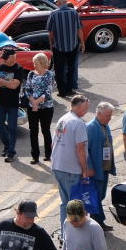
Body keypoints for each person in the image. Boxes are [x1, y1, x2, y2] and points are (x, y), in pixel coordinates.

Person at [50, 95, 91, 224]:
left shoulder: (63, 119)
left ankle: (64, 233)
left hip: (58, 166)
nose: (86, 111)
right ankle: (73, 233)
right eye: (85, 108)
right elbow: (80, 148)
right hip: (71, 169)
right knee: (74, 204)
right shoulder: (78, 123)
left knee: (65, 202)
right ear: (78, 106)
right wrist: (84, 170)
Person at [84, 102, 116, 227]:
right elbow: (85, 151)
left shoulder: (105, 125)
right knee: (96, 196)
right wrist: (90, 168)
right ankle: (98, 222)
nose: (110, 118)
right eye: (108, 115)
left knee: (100, 195)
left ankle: (98, 221)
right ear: (98, 114)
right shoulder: (90, 128)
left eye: (110, 115)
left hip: (104, 168)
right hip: (96, 170)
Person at [46, 0, 85, 97]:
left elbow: (51, 32)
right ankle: (70, 90)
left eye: (56, 2)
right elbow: (79, 30)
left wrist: (51, 45)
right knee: (71, 69)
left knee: (59, 70)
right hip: (72, 45)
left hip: (58, 47)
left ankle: (62, 92)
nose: (56, 4)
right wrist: (82, 43)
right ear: (66, 2)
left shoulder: (53, 14)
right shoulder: (74, 12)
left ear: (59, 3)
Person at [0, 47, 23, 162]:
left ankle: (11, 152)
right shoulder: (0, 67)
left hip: (13, 103)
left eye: (5, 58)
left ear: (12, 57)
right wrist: (7, 82)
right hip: (0, 102)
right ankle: (7, 145)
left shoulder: (18, 68)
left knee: (12, 128)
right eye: (2, 58)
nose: (3, 60)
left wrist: (1, 81)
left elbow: (14, 86)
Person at [22, 53, 56, 163]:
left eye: (36, 63)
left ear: (42, 63)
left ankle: (48, 154)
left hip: (46, 108)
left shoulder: (49, 75)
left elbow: (48, 92)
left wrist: (36, 103)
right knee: (33, 132)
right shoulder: (31, 74)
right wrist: (33, 103)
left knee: (45, 130)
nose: (34, 66)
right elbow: (27, 89)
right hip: (33, 108)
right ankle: (35, 156)